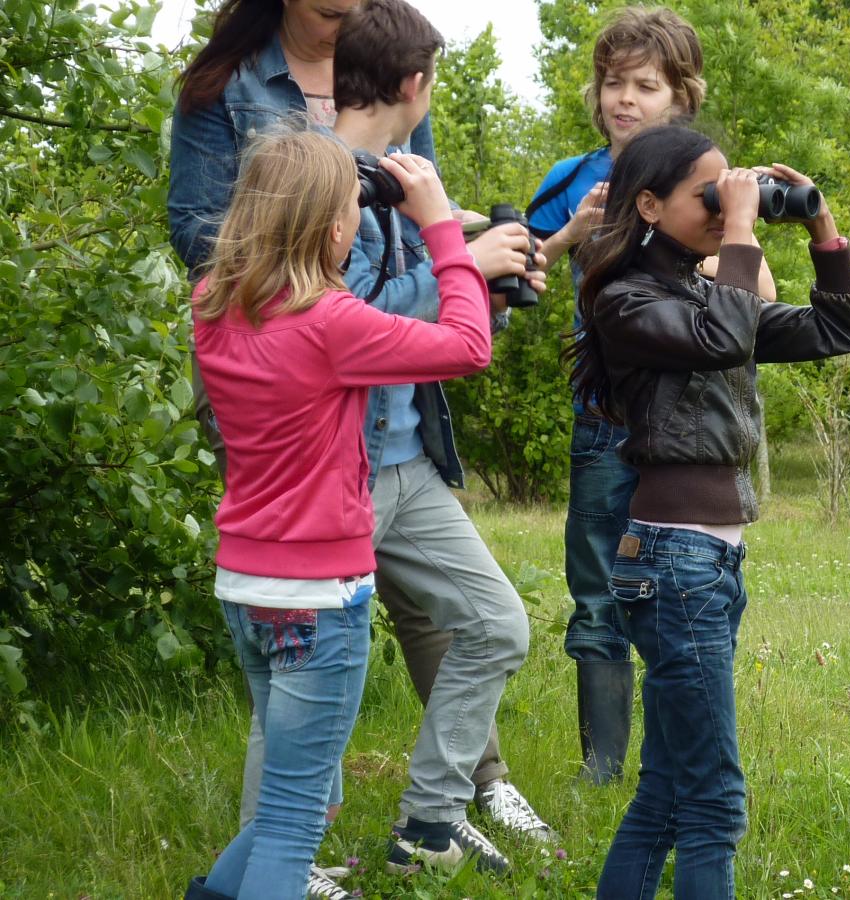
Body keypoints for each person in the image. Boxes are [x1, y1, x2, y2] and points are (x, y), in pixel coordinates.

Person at [180, 129, 491, 900]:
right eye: (354, 207)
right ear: (332, 232)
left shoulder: (213, 304)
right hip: (319, 600)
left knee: (291, 803)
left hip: (245, 587)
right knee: (294, 822)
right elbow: (468, 344)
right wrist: (440, 226)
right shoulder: (331, 326)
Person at [571, 124, 850, 898]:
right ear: (647, 205)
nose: (723, 205)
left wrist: (821, 228)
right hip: (675, 563)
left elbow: (839, 329)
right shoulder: (627, 300)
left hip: (707, 562)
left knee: (668, 792)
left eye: (727, 191)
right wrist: (739, 229)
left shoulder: (705, 295)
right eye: (706, 194)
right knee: (714, 802)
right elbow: (723, 339)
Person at [326, 0, 550, 875]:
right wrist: (461, 261)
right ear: (415, 84)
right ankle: (279, 862)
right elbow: (339, 331)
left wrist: (488, 280)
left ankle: (429, 823)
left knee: (496, 625)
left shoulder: (408, 180)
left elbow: (446, 332)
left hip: (408, 462)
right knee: (315, 683)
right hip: (337, 470)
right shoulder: (322, 180)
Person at [525, 6, 722, 787]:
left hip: (686, 427)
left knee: (686, 594)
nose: (625, 100)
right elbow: (518, 276)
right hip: (601, 421)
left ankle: (682, 766)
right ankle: (601, 774)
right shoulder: (570, 179)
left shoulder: (706, 180)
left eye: (645, 85)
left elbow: (748, 288)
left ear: (681, 95)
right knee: (599, 597)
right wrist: (567, 237)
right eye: (614, 83)